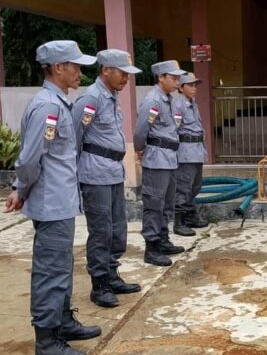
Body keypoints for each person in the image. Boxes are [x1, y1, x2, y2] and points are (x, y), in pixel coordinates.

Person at [4, 40, 100, 355]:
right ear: (58, 68)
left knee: (61, 266)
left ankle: (63, 321)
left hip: (61, 200)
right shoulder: (48, 108)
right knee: (50, 271)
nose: (79, 72)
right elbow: (31, 158)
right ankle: (47, 341)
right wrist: (22, 188)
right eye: (74, 66)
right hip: (52, 202)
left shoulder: (58, 103)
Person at [71, 49, 142, 308]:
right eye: (123, 74)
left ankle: (112, 275)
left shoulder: (111, 96)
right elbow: (75, 138)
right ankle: (99, 284)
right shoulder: (90, 98)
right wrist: (74, 175)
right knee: (101, 230)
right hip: (95, 174)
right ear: (106, 71)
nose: (126, 79)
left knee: (117, 228)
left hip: (112, 172)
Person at [134, 60, 188, 266]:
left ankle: (163, 239)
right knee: (154, 204)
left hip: (170, 158)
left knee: (166, 204)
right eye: (173, 78)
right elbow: (140, 131)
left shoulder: (168, 99)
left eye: (177, 78)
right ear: (160, 78)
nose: (177, 82)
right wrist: (140, 148)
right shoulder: (153, 100)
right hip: (156, 159)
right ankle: (152, 246)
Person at [173, 72, 210, 234]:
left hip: (196, 151)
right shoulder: (178, 105)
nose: (194, 88)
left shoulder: (192, 103)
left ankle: (190, 216)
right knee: (183, 187)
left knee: (195, 186)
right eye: (190, 85)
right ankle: (179, 222)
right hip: (185, 152)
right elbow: (174, 128)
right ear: (181, 88)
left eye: (195, 85)